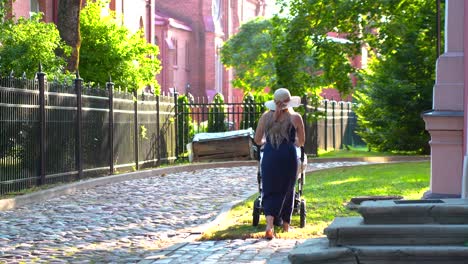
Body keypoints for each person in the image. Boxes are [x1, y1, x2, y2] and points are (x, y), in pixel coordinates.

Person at [254, 88, 305, 239]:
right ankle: (286, 227)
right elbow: (301, 142)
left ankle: (269, 225)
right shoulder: (296, 118)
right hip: (288, 156)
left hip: (270, 155)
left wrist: (267, 142)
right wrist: (292, 141)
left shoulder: (265, 117)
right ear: (289, 102)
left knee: (269, 189)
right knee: (288, 189)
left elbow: (257, 140)